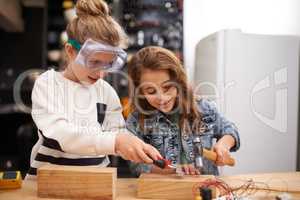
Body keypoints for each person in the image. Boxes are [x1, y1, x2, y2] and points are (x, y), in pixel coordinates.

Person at [27, 0, 161, 179]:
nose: (100, 74)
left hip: (96, 183)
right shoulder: (48, 83)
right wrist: (116, 142)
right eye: (94, 62)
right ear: (70, 51)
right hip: (45, 184)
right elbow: (60, 133)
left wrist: (135, 146)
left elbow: (117, 133)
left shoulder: (106, 92)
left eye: (107, 64)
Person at [126, 46, 240, 177]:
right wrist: (176, 169)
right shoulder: (135, 121)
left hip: (206, 190)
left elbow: (230, 130)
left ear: (179, 81)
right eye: (150, 91)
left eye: (167, 87)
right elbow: (138, 165)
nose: (162, 98)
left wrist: (224, 146)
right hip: (163, 192)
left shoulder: (204, 108)